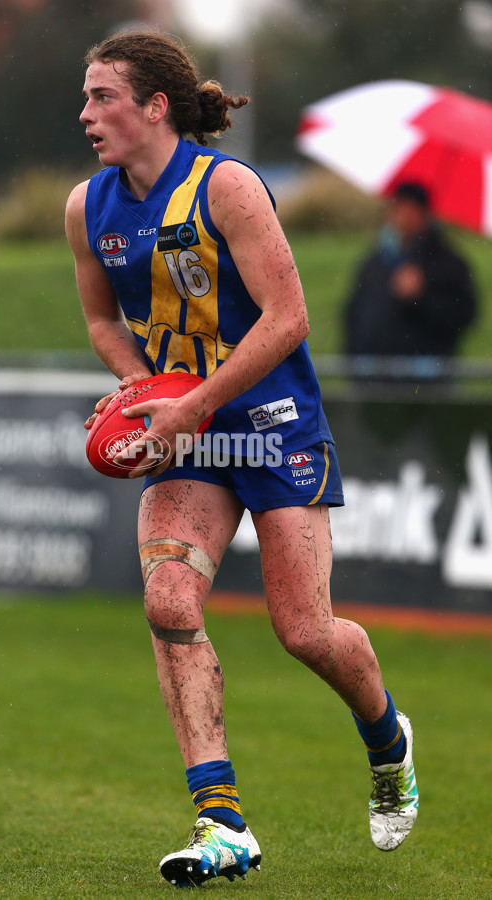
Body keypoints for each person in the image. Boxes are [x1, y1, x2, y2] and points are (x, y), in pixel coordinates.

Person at [65, 31, 419, 889]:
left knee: (304, 632)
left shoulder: (227, 187)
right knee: (168, 597)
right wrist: (146, 392)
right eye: (85, 97)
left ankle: (389, 739)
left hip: (273, 425)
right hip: (189, 431)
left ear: (155, 107)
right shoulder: (86, 207)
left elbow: (288, 317)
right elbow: (104, 322)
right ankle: (222, 824)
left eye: (103, 96)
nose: (85, 115)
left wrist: (192, 403)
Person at [343, 181, 477, 380]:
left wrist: (421, 297)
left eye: (409, 209)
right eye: (397, 208)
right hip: (373, 377)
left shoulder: (449, 263)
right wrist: (355, 357)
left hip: (427, 381)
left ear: (423, 214)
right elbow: (354, 311)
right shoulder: (376, 260)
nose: (401, 217)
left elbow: (463, 315)